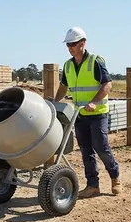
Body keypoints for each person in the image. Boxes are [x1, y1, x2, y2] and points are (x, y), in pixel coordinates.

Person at [52, 26, 121, 198]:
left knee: (101, 147)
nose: (70, 47)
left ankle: (115, 177)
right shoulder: (68, 66)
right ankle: (92, 186)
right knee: (85, 150)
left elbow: (107, 84)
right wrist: (54, 102)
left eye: (73, 44)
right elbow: (63, 87)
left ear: (83, 43)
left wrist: (94, 102)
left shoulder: (95, 61)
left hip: (97, 114)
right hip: (80, 115)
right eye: (68, 44)